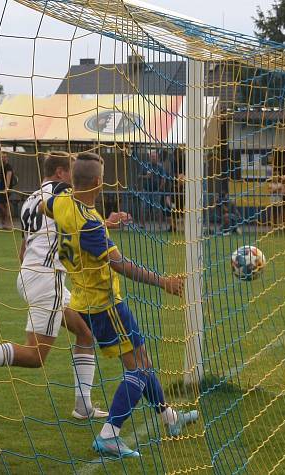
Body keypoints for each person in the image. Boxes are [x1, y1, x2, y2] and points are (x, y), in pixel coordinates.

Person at [0, 152, 132, 420]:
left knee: (85, 333)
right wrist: (106, 222)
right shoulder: (65, 194)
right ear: (60, 173)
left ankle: (83, 407)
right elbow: (80, 219)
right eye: (72, 170)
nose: (76, 176)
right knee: (35, 355)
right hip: (47, 278)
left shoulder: (29, 200)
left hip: (30, 274)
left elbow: (23, 249)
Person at [45, 152, 197, 458]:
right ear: (99, 182)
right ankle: (109, 434)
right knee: (139, 368)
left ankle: (170, 418)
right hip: (106, 305)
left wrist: (106, 223)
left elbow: (45, 206)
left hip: (83, 300)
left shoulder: (61, 202)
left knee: (142, 361)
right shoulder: (90, 225)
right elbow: (121, 265)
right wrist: (163, 282)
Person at [140, 151, 166, 228]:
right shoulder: (145, 166)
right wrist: (146, 177)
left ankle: (160, 225)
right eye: (152, 156)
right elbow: (139, 176)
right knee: (144, 207)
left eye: (155, 157)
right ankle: (142, 225)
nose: (153, 158)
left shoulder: (160, 167)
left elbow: (163, 178)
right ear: (149, 157)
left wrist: (160, 189)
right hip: (146, 191)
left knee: (157, 208)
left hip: (156, 191)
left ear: (158, 158)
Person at [0, 151, 17, 230]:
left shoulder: (8, 166)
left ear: (7, 158)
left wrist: (7, 188)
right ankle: (4, 223)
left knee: (5, 205)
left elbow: (8, 177)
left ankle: (7, 223)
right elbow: (3, 177)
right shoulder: (2, 166)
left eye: (4, 157)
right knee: (2, 205)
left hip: (6, 189)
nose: (3, 158)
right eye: (2, 157)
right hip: (1, 187)